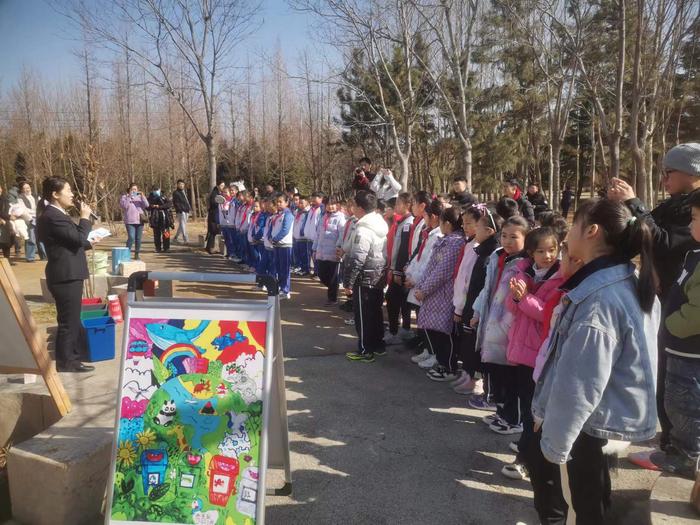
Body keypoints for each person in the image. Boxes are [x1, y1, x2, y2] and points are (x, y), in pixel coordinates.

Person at [524, 198, 659, 524]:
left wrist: (553, 447)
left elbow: (579, 384)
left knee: (578, 509)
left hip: (585, 426)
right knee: (590, 501)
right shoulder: (626, 279)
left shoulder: (599, 300)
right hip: (601, 420)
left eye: (573, 225)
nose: (567, 235)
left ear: (592, 231)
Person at [608, 142, 700, 455]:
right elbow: (645, 233)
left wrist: (634, 202)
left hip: (682, 307)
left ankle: (678, 447)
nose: (664, 178)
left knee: (679, 383)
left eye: (669, 172)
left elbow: (663, 242)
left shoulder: (694, 208)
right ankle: (667, 438)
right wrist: (622, 212)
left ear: (692, 173)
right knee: (664, 373)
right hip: (664, 299)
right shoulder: (674, 203)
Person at [500, 227, 564, 481]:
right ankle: (528, 446)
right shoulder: (523, 271)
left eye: (552, 250)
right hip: (521, 349)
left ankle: (526, 459)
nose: (548, 255)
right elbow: (510, 306)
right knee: (528, 407)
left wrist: (524, 298)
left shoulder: (560, 277)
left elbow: (547, 314)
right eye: (541, 251)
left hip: (539, 353)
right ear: (531, 252)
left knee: (535, 410)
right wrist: (517, 298)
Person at [647, 190, 700, 479]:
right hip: (679, 350)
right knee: (675, 402)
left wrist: (669, 324)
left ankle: (687, 456)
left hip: (689, 352)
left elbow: (696, 313)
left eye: (694, 218)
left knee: (685, 407)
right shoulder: (695, 255)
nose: (690, 225)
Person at [471, 216, 530, 435]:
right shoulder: (498, 257)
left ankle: (513, 419)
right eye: (504, 235)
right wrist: (477, 311)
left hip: (510, 327)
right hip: (491, 321)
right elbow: (487, 289)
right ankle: (501, 411)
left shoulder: (526, 265)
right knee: (496, 371)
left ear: (526, 238)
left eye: (514, 237)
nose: (507, 241)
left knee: (511, 377)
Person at [37, 176, 100, 373]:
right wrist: (84, 218)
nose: (72, 194)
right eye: (69, 190)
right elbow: (77, 238)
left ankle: (72, 358)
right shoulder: (52, 216)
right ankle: (67, 362)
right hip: (65, 275)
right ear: (55, 194)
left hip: (69, 273)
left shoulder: (58, 214)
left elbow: (71, 242)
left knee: (71, 318)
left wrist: (89, 242)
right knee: (68, 320)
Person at [413, 207, 466, 381]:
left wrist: (424, 289)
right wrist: (421, 286)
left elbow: (442, 271)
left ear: (448, 224)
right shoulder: (447, 241)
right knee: (437, 330)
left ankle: (449, 367)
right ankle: (442, 363)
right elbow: (431, 266)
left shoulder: (455, 243)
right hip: (435, 293)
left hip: (444, 293)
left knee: (446, 333)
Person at [343, 191, 388, 363]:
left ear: (360, 209)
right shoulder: (379, 223)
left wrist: (348, 282)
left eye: (353, 205)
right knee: (375, 312)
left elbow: (357, 258)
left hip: (365, 278)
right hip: (378, 275)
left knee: (363, 316)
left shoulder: (363, 229)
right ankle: (378, 345)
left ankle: (365, 350)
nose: (351, 208)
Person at [406, 199, 445, 369]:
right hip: (417, 281)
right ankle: (428, 349)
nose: (425, 219)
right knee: (421, 319)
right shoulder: (429, 232)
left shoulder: (438, 236)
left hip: (424, 283)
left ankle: (434, 352)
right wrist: (409, 271)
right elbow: (419, 257)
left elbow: (429, 263)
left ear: (434, 217)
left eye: (427, 216)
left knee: (428, 321)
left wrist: (415, 279)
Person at [450, 205, 485, 393]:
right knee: (465, 342)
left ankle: (474, 379)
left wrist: (461, 306)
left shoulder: (479, 248)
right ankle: (466, 374)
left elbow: (469, 279)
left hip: (470, 303)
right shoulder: (469, 244)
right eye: (463, 223)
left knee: (472, 344)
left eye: (469, 223)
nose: (464, 227)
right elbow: (461, 275)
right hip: (462, 301)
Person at [385, 192, 415, 345]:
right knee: (401, 301)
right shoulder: (401, 222)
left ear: (407, 205)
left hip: (401, 270)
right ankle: (402, 329)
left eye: (398, 203)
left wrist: (397, 271)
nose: (395, 206)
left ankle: (396, 331)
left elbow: (404, 250)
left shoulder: (408, 224)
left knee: (393, 299)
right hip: (396, 267)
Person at [313, 195, 346, 305]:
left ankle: (332, 298)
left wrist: (338, 248)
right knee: (322, 275)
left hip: (333, 253)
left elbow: (342, 235)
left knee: (333, 277)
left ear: (337, 205)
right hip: (322, 252)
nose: (330, 207)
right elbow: (318, 234)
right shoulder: (323, 217)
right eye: (328, 205)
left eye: (333, 204)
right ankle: (333, 288)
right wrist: (315, 248)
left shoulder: (340, 217)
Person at [271, 193, 294, 299]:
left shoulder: (288, 215)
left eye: (281, 202)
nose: (278, 204)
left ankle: (286, 290)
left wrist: (274, 239)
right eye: (277, 202)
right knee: (279, 268)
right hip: (277, 245)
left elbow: (285, 230)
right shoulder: (277, 214)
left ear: (287, 203)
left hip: (285, 245)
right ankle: (281, 288)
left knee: (284, 269)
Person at [119, 183, 149, 259]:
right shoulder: (124, 197)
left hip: (139, 220)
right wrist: (129, 196)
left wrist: (143, 196)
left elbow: (147, 205)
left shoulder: (139, 197)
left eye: (135, 189)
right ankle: (126, 253)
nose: (134, 191)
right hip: (130, 221)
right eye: (132, 189)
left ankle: (137, 254)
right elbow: (124, 206)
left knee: (138, 238)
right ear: (129, 190)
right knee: (131, 237)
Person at [18, 181, 40, 262]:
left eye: (28, 187)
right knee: (31, 238)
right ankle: (30, 257)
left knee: (41, 238)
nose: (27, 189)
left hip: (39, 218)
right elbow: (23, 210)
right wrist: (31, 216)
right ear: (22, 190)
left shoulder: (36, 196)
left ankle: (44, 255)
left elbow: (41, 206)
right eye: (24, 188)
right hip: (29, 219)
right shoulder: (20, 198)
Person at [147, 186, 174, 253]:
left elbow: (169, 204)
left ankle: (166, 247)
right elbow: (147, 206)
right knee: (156, 234)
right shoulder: (150, 197)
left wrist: (160, 206)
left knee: (166, 233)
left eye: (157, 190)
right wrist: (152, 206)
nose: (156, 191)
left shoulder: (164, 196)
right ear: (152, 190)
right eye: (154, 190)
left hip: (164, 217)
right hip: (155, 217)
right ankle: (158, 248)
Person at [292, 196, 313, 276]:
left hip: (304, 238)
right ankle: (301, 268)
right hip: (297, 237)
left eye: (302, 203)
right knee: (299, 253)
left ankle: (306, 269)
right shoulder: (298, 212)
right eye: (299, 203)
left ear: (307, 203)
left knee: (305, 254)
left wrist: (304, 232)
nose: (299, 204)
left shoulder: (308, 212)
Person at [206, 180, 227, 254]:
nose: (222, 187)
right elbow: (213, 203)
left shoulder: (218, 192)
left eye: (223, 186)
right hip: (213, 215)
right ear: (218, 186)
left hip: (215, 214)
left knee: (213, 231)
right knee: (213, 231)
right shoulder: (215, 193)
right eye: (221, 186)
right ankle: (210, 248)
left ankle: (210, 247)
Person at [172, 179, 191, 244]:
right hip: (181, 211)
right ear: (177, 185)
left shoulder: (184, 192)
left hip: (186, 210)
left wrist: (189, 208)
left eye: (182, 184)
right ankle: (186, 239)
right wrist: (180, 210)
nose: (181, 185)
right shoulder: (176, 193)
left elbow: (186, 201)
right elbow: (176, 203)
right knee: (183, 225)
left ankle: (175, 238)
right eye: (180, 184)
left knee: (182, 225)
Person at [0, 186, 15, 263]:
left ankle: (7, 260)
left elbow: (8, 209)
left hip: (6, 221)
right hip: (2, 220)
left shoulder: (4, 198)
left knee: (7, 241)